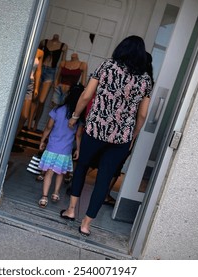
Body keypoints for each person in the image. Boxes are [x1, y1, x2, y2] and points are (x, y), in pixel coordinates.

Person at [59, 35, 153, 237]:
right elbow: (143, 114)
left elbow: (86, 95)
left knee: (82, 167)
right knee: (103, 179)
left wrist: (75, 117)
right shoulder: (145, 79)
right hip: (121, 138)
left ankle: (71, 210)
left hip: (95, 130)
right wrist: (133, 135)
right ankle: (86, 224)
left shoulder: (107, 66)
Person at [37, 84, 85, 208]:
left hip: (52, 147)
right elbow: (78, 136)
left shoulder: (57, 110)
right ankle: (56, 193)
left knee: (49, 172)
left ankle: (44, 197)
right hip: (66, 150)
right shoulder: (79, 117)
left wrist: (42, 140)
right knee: (60, 173)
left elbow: (48, 127)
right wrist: (78, 150)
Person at [29, 34, 68, 132]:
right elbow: (35, 56)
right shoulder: (44, 42)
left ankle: (36, 124)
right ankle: (29, 123)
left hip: (51, 72)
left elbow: (61, 64)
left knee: (42, 101)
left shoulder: (63, 46)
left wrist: (57, 79)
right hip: (40, 69)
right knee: (34, 98)